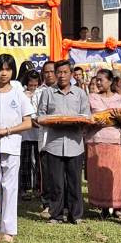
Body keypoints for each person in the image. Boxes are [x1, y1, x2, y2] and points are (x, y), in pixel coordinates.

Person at [0, 53, 33, 243]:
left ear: (13, 72)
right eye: (1, 69)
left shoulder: (19, 95)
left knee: (10, 187)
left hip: (12, 145)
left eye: (8, 69)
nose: (4, 73)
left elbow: (28, 122)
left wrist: (8, 130)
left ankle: (8, 231)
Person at [35, 60, 92, 225]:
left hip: (75, 144)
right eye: (58, 72)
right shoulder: (47, 93)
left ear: (71, 73)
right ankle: (56, 215)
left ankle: (76, 215)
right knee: (56, 183)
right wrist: (53, 121)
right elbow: (40, 116)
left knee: (74, 182)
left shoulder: (80, 94)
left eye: (65, 72)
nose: (61, 75)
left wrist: (77, 122)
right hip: (53, 144)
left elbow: (86, 116)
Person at [86, 69, 121, 218]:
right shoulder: (91, 98)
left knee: (115, 174)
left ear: (110, 81)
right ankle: (102, 207)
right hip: (95, 140)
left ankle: (116, 208)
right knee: (98, 175)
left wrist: (119, 119)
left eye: (101, 79)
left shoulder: (119, 98)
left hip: (115, 140)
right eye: (96, 79)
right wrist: (95, 122)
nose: (98, 82)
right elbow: (86, 119)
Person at [18, 71, 42, 199]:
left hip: (39, 132)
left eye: (35, 84)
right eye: (30, 84)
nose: (33, 87)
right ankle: (25, 188)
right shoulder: (22, 95)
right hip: (26, 133)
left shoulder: (41, 93)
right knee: (26, 162)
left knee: (39, 162)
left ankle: (39, 187)